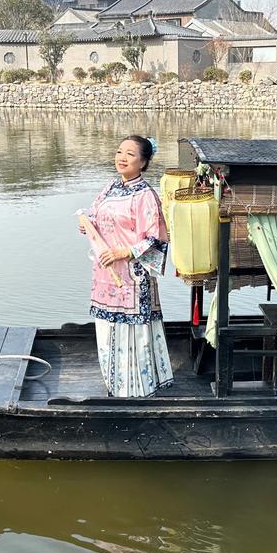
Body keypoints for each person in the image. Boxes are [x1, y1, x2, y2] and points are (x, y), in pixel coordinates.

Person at [79, 135, 173, 397]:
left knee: (132, 332)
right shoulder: (110, 187)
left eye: (130, 154)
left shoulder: (146, 195)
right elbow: (95, 216)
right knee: (107, 330)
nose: (122, 157)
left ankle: (135, 389)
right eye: (120, 151)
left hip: (132, 276)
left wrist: (122, 252)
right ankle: (114, 385)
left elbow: (156, 239)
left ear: (143, 162)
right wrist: (87, 224)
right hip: (106, 273)